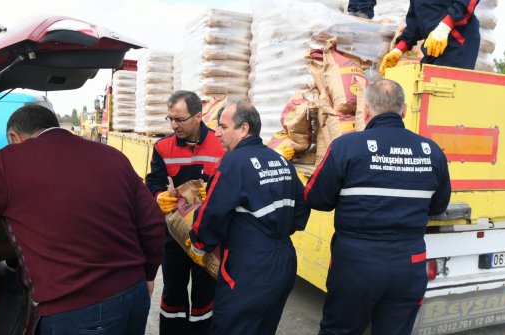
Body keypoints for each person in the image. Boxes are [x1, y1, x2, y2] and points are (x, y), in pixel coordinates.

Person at [0, 104, 165, 335]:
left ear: (13, 136)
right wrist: (149, 274)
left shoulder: (10, 162)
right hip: (134, 296)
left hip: (77, 312)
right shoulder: (112, 156)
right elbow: (153, 222)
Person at [304, 79, 451, 335]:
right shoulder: (432, 151)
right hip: (410, 262)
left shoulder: (346, 146)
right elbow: (439, 205)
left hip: (355, 263)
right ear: (404, 110)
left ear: (366, 112)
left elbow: (316, 198)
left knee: (340, 330)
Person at [188, 102, 311, 334]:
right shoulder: (281, 161)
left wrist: (199, 243)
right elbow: (302, 208)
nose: (217, 132)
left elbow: (210, 215)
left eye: (223, 126)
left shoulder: (234, 162)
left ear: (243, 129)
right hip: (284, 262)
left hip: (250, 268)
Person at [145, 90, 225, 335]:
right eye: (170, 118)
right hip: (175, 236)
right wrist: (160, 197)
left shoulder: (221, 143)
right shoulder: (162, 147)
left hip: (209, 235)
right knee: (173, 292)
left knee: (205, 295)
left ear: (198, 116)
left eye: (179, 119)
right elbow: (155, 181)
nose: (174, 125)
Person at [380, 0, 480, 75]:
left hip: (458, 41)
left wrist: (445, 26)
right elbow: (415, 21)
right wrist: (399, 49)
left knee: (446, 91)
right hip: (432, 45)